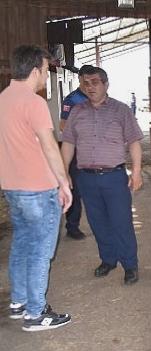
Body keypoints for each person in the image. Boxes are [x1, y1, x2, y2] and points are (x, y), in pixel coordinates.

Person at [0, 45, 73, 331]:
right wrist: (63, 183)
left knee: (22, 244)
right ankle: (36, 312)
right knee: (41, 250)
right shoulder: (34, 103)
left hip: (12, 188)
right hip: (38, 189)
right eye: (44, 71)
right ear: (33, 71)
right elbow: (49, 147)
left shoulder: (3, 99)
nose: (45, 77)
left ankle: (18, 301)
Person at [61, 66, 144, 285]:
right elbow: (68, 143)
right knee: (97, 222)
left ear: (106, 84)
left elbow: (134, 142)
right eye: (85, 83)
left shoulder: (121, 110)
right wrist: (64, 172)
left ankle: (130, 265)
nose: (90, 87)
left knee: (121, 222)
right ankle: (108, 260)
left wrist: (136, 172)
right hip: (86, 177)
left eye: (95, 82)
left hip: (114, 177)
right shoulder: (77, 112)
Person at [58, 64, 94, 240]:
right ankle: (72, 227)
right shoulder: (72, 99)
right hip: (77, 151)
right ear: (79, 79)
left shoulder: (98, 96)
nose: (89, 84)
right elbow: (63, 125)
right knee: (76, 190)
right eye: (85, 80)